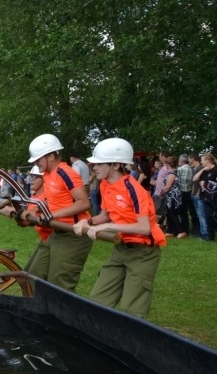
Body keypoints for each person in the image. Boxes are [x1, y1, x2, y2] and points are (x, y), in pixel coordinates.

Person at [73, 138, 166, 318]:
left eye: (98, 164)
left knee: (132, 312)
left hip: (143, 253)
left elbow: (144, 227)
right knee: (97, 302)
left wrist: (106, 227)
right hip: (121, 248)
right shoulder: (105, 184)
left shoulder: (134, 189)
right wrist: (89, 222)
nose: (94, 168)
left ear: (115, 165)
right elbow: (106, 215)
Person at [20, 134, 93, 292]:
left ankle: (62, 316)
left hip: (74, 234)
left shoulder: (66, 173)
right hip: (57, 233)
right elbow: (55, 199)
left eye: (38, 159)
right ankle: (38, 314)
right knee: (30, 276)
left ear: (51, 156)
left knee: (59, 287)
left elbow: (84, 202)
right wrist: (37, 208)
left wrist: (54, 214)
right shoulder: (48, 174)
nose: (35, 163)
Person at [192, 152, 216, 242]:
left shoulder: (215, 170)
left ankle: (210, 234)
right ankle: (209, 236)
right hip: (204, 196)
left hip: (213, 197)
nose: (201, 161)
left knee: (212, 216)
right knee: (207, 216)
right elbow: (194, 179)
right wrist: (202, 170)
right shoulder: (205, 171)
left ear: (207, 160)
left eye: (202, 159)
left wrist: (206, 184)